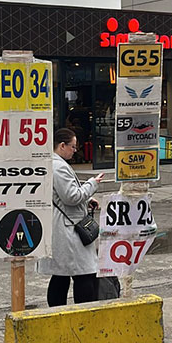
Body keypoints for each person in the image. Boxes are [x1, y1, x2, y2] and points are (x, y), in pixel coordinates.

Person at [37, 128, 105, 307]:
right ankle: (83, 313)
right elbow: (71, 196)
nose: (75, 151)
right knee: (85, 272)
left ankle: (58, 313)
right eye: (73, 147)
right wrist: (92, 184)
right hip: (68, 229)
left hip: (63, 225)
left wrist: (87, 198)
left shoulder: (54, 163)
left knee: (62, 275)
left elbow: (63, 194)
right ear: (62, 146)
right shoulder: (58, 166)